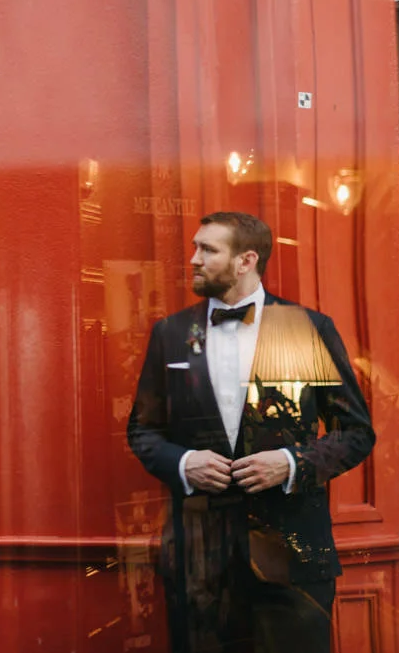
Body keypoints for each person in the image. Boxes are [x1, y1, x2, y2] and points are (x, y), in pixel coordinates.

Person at [127, 211, 374, 652]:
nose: (193, 259)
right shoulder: (172, 333)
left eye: (207, 249)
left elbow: (355, 432)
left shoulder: (306, 328)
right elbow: (143, 432)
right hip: (198, 563)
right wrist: (184, 464)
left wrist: (291, 464)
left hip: (292, 559)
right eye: (194, 247)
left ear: (246, 261)